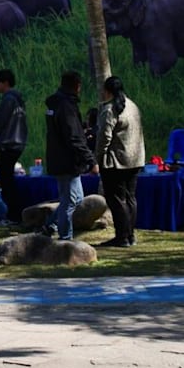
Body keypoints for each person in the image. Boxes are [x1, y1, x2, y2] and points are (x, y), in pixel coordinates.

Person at [43, 71, 96, 241]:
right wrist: (90, 160)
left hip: (58, 157)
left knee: (75, 198)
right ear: (77, 86)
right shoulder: (66, 106)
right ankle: (65, 238)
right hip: (67, 160)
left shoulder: (56, 105)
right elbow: (73, 137)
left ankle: (50, 225)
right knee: (70, 201)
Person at [96, 76, 143, 247]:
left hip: (116, 161)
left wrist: (98, 158)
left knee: (116, 199)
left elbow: (104, 137)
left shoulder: (109, 109)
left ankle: (122, 236)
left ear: (107, 91)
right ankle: (130, 235)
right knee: (130, 198)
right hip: (135, 159)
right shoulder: (133, 106)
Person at [0, 69, 27, 226]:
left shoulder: (8, 99)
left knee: (6, 181)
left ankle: (14, 216)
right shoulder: (18, 98)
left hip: (8, 143)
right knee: (7, 179)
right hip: (17, 141)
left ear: (5, 83)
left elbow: (1, 121)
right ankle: (15, 214)